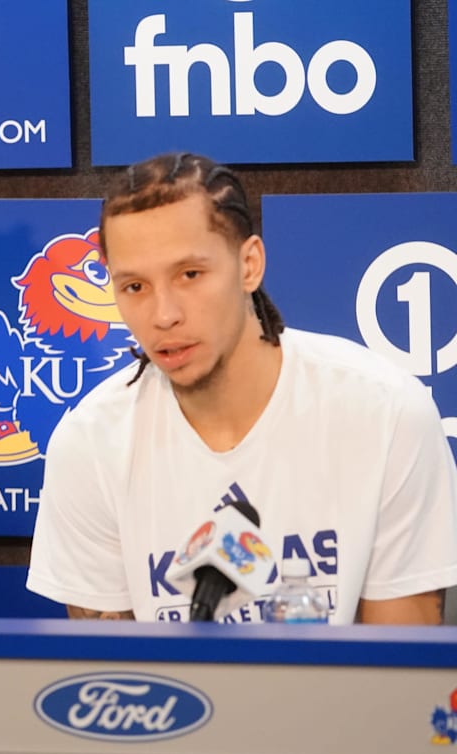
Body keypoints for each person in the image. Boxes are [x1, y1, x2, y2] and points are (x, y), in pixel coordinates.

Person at [26, 152, 457, 625]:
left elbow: (399, 663)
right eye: (134, 287)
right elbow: (109, 665)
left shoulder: (386, 413)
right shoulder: (89, 444)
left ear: (249, 264)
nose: (163, 314)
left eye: (190, 275)